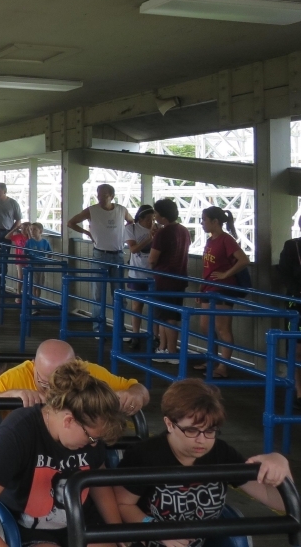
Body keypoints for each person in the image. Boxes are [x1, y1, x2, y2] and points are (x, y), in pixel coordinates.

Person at [0, 361, 126, 547]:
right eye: (92, 439)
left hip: (81, 521)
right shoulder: (19, 432)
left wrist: (117, 533)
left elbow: (97, 481)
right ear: (69, 421)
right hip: (30, 529)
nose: (94, 445)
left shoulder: (88, 432)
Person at [116, 379, 292, 547]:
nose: (202, 440)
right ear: (169, 424)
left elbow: (278, 502)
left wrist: (280, 464)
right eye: (191, 430)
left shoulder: (220, 453)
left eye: (210, 431)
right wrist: (156, 529)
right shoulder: (145, 455)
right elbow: (122, 504)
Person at [0, 339, 149, 418]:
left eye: (63, 384)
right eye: (44, 383)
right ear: (34, 365)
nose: (52, 392)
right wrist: (10, 395)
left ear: (76, 367)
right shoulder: (15, 377)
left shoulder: (88, 372)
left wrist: (135, 394)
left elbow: (139, 389)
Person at [67, 184, 134, 331]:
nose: (100, 198)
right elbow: (70, 222)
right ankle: (98, 327)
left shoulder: (121, 210)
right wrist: (87, 232)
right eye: (98, 195)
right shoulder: (92, 210)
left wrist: (126, 235)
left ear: (111, 196)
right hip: (100, 254)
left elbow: (131, 221)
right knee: (98, 293)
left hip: (117, 254)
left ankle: (119, 327)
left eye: (103, 195)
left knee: (119, 294)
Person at [198, 206, 250, 379]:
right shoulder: (210, 240)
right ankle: (212, 359)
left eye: (204, 219)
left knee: (222, 327)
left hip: (222, 289)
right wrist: (201, 287)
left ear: (215, 222)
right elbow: (207, 266)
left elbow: (243, 260)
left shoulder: (226, 240)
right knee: (205, 325)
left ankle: (223, 366)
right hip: (208, 287)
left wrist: (226, 275)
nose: (202, 223)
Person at [150, 198, 192, 361]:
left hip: (163, 279)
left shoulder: (163, 232)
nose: (154, 216)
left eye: (156, 213)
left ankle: (171, 351)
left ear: (162, 215)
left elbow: (152, 259)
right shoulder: (183, 230)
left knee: (166, 317)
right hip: (179, 278)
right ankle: (164, 348)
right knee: (170, 315)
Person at [123, 204, 156, 350]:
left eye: (153, 219)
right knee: (136, 306)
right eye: (148, 219)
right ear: (140, 218)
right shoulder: (131, 229)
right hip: (136, 273)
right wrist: (150, 238)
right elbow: (133, 248)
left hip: (154, 274)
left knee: (154, 307)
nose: (151, 222)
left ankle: (155, 336)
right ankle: (135, 335)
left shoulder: (157, 229)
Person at [279, 217, 301, 408]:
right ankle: (299, 391)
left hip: (296, 301)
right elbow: (284, 274)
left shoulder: (291, 247)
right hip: (297, 304)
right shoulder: (292, 247)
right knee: (297, 348)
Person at [24, 222, 52, 310]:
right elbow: (25, 253)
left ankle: (37, 300)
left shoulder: (45, 242)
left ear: (41, 231)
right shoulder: (29, 242)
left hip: (42, 265)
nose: (32, 231)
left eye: (34, 230)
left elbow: (50, 253)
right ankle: (33, 302)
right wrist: (29, 260)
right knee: (33, 284)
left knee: (39, 284)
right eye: (31, 229)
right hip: (33, 265)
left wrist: (46, 260)